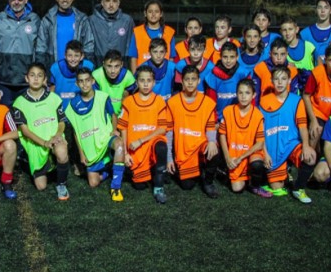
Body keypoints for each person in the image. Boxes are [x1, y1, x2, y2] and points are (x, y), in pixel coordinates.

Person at [65, 67, 126, 201]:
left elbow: (113, 115)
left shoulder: (103, 97)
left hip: (105, 138)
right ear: (76, 83)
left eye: (87, 80)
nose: (85, 84)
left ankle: (115, 187)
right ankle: (109, 170)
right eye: (81, 81)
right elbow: (75, 131)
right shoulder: (72, 105)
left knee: (119, 145)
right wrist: (81, 154)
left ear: (93, 81)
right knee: (93, 183)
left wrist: (114, 130)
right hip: (91, 148)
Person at [12, 63, 71, 199]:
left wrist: (57, 135)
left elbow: (61, 122)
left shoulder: (54, 98)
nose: (36, 79)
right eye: (32, 75)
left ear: (45, 79)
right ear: (26, 78)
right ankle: (34, 160)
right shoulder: (19, 102)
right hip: (37, 144)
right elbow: (25, 131)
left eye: (40, 76)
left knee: (62, 151)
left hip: (54, 139)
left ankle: (61, 184)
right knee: (41, 186)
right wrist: (44, 143)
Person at [259, 66, 317, 204]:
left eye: (284, 79)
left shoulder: (297, 101)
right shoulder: (263, 101)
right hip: (272, 149)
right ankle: (284, 172)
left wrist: (306, 146)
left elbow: (302, 126)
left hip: (291, 145)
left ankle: (298, 188)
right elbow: (260, 131)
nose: (280, 82)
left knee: (311, 156)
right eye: (276, 79)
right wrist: (265, 152)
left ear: (290, 80)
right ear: (271, 81)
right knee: (277, 187)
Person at [117, 65, 170, 204]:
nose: (146, 84)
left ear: (154, 82)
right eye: (142, 80)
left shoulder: (159, 101)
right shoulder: (129, 102)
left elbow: (162, 129)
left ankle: (158, 187)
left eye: (149, 80)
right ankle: (141, 171)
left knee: (161, 147)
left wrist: (141, 140)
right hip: (135, 150)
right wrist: (125, 153)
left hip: (151, 142)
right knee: (139, 186)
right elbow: (123, 128)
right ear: (137, 82)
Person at [166, 65, 220, 198]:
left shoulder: (207, 102)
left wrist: (212, 141)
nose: (190, 82)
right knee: (187, 186)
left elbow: (210, 127)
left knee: (214, 150)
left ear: (199, 81)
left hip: (201, 145)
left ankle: (208, 182)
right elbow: (169, 132)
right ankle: (196, 168)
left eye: (193, 79)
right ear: (181, 81)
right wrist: (169, 158)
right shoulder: (173, 102)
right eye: (187, 79)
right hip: (183, 151)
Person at [218, 79, 271, 197]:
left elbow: (260, 143)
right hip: (233, 154)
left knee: (257, 163)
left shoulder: (258, 115)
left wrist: (241, 158)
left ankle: (255, 185)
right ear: (236, 94)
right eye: (240, 93)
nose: (243, 96)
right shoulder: (228, 111)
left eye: (247, 93)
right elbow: (222, 135)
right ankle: (229, 171)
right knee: (237, 188)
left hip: (249, 154)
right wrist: (227, 158)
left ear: (254, 95)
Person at [0, 0, 41, 105]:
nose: (16, 2)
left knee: (25, 113)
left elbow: (40, 46)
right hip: (4, 78)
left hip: (26, 79)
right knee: (5, 113)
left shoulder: (34, 19)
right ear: (9, 0)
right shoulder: (0, 18)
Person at [36, 0, 94, 68]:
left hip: (77, 68)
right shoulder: (48, 19)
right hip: (54, 68)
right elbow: (41, 46)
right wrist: (41, 68)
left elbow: (88, 45)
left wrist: (87, 68)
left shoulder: (82, 19)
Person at [203, 42, 252, 122]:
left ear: (237, 57)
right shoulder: (213, 75)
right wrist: (214, 121)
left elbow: (250, 98)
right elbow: (210, 102)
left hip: (239, 117)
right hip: (219, 120)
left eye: (232, 57)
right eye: (225, 57)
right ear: (220, 57)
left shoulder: (243, 73)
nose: (228, 61)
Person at [127, 0, 176, 72]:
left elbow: (171, 57)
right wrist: (135, 76)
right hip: (143, 75)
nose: (153, 14)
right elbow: (133, 57)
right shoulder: (137, 32)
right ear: (145, 13)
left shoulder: (169, 32)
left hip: (164, 74)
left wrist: (169, 74)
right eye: (150, 11)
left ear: (161, 14)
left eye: (156, 11)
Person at [88, 0, 134, 67]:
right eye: (107, 1)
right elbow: (88, 46)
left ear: (118, 3)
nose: (111, 5)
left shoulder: (127, 20)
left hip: (120, 65)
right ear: (102, 3)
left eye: (114, 1)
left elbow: (131, 44)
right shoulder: (92, 20)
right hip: (98, 64)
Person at [252, 38, 301, 103]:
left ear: (287, 54)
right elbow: (256, 95)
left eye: (282, 54)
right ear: (270, 54)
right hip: (264, 106)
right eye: (275, 54)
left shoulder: (292, 70)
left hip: (285, 106)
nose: (279, 58)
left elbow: (293, 95)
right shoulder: (260, 68)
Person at [49, 40, 95, 105]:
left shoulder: (89, 66)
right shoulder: (56, 68)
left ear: (82, 56)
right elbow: (51, 90)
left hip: (83, 107)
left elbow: (94, 88)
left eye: (76, 56)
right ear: (65, 55)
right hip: (60, 107)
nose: (73, 59)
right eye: (70, 55)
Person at [92, 49, 136, 116]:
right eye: (109, 66)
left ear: (121, 65)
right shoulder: (96, 76)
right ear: (103, 64)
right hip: (102, 116)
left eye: (116, 66)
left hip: (123, 117)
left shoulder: (128, 77)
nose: (113, 71)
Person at [299, 0, 331, 65]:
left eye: (326, 7)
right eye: (319, 7)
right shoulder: (304, 34)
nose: (322, 11)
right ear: (316, 10)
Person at [279, 16, 315, 83]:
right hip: (290, 87)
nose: (287, 33)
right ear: (281, 32)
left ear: (297, 29)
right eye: (284, 30)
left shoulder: (309, 47)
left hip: (309, 85)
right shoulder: (279, 50)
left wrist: (297, 70)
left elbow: (319, 70)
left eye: (290, 29)